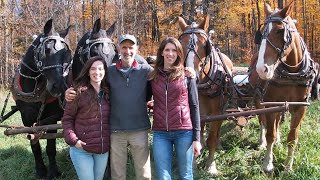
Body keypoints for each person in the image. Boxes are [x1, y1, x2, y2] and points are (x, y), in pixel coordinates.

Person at [66, 34, 153, 180]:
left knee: (144, 174)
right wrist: (70, 91)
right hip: (116, 131)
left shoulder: (146, 70)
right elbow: (92, 80)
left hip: (139, 130)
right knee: (117, 174)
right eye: (124, 47)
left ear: (136, 49)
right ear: (118, 49)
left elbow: (166, 78)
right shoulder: (109, 72)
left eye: (131, 47)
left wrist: (186, 71)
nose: (127, 51)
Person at [149, 37, 202, 180]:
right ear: (161, 52)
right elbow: (142, 97)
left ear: (179, 53)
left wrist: (197, 138)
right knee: (163, 176)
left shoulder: (187, 76)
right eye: (167, 50)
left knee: (185, 174)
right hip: (161, 133)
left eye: (174, 50)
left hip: (184, 131)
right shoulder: (153, 76)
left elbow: (195, 106)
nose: (170, 53)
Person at [62, 56, 110, 180]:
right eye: (93, 69)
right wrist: (74, 140)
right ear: (88, 72)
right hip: (82, 149)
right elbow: (67, 119)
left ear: (105, 71)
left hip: (102, 149)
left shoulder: (108, 92)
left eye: (100, 69)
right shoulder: (78, 92)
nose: (97, 72)